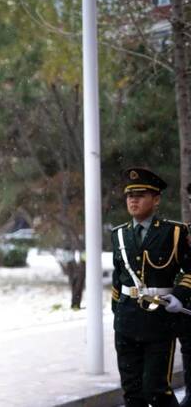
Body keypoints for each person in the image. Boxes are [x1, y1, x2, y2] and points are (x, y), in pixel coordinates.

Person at [111, 167, 191, 407]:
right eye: (129, 196)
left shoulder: (174, 233)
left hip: (159, 323)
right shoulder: (119, 235)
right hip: (126, 321)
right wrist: (118, 312)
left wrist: (179, 295)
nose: (133, 200)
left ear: (156, 200)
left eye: (140, 195)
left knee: (156, 390)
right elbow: (119, 277)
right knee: (132, 392)